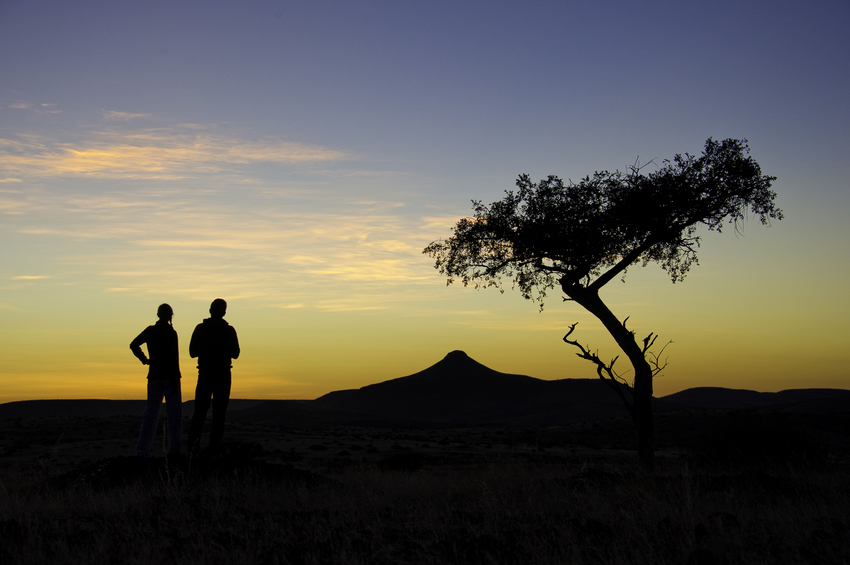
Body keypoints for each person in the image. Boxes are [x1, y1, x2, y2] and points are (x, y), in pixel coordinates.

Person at [187, 298, 240, 454]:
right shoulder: (229, 330)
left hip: (205, 374)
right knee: (219, 415)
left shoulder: (201, 328)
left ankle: (193, 448)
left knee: (199, 413)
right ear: (224, 312)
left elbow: (192, 352)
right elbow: (235, 353)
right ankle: (214, 448)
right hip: (222, 375)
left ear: (210, 310)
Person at [130, 303, 183, 457]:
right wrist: (175, 377)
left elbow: (133, 345)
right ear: (170, 315)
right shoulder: (171, 332)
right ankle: (174, 451)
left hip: (154, 376)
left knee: (150, 414)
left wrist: (145, 360)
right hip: (171, 377)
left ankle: (142, 450)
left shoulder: (150, 331)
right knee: (174, 415)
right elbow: (174, 358)